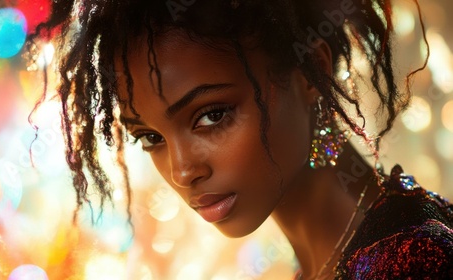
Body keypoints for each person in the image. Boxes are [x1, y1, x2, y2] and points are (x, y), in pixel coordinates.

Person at [29, 0, 453, 278]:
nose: (182, 171)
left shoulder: (413, 259)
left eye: (211, 115)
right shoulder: (328, 255)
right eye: (150, 136)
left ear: (312, 72)